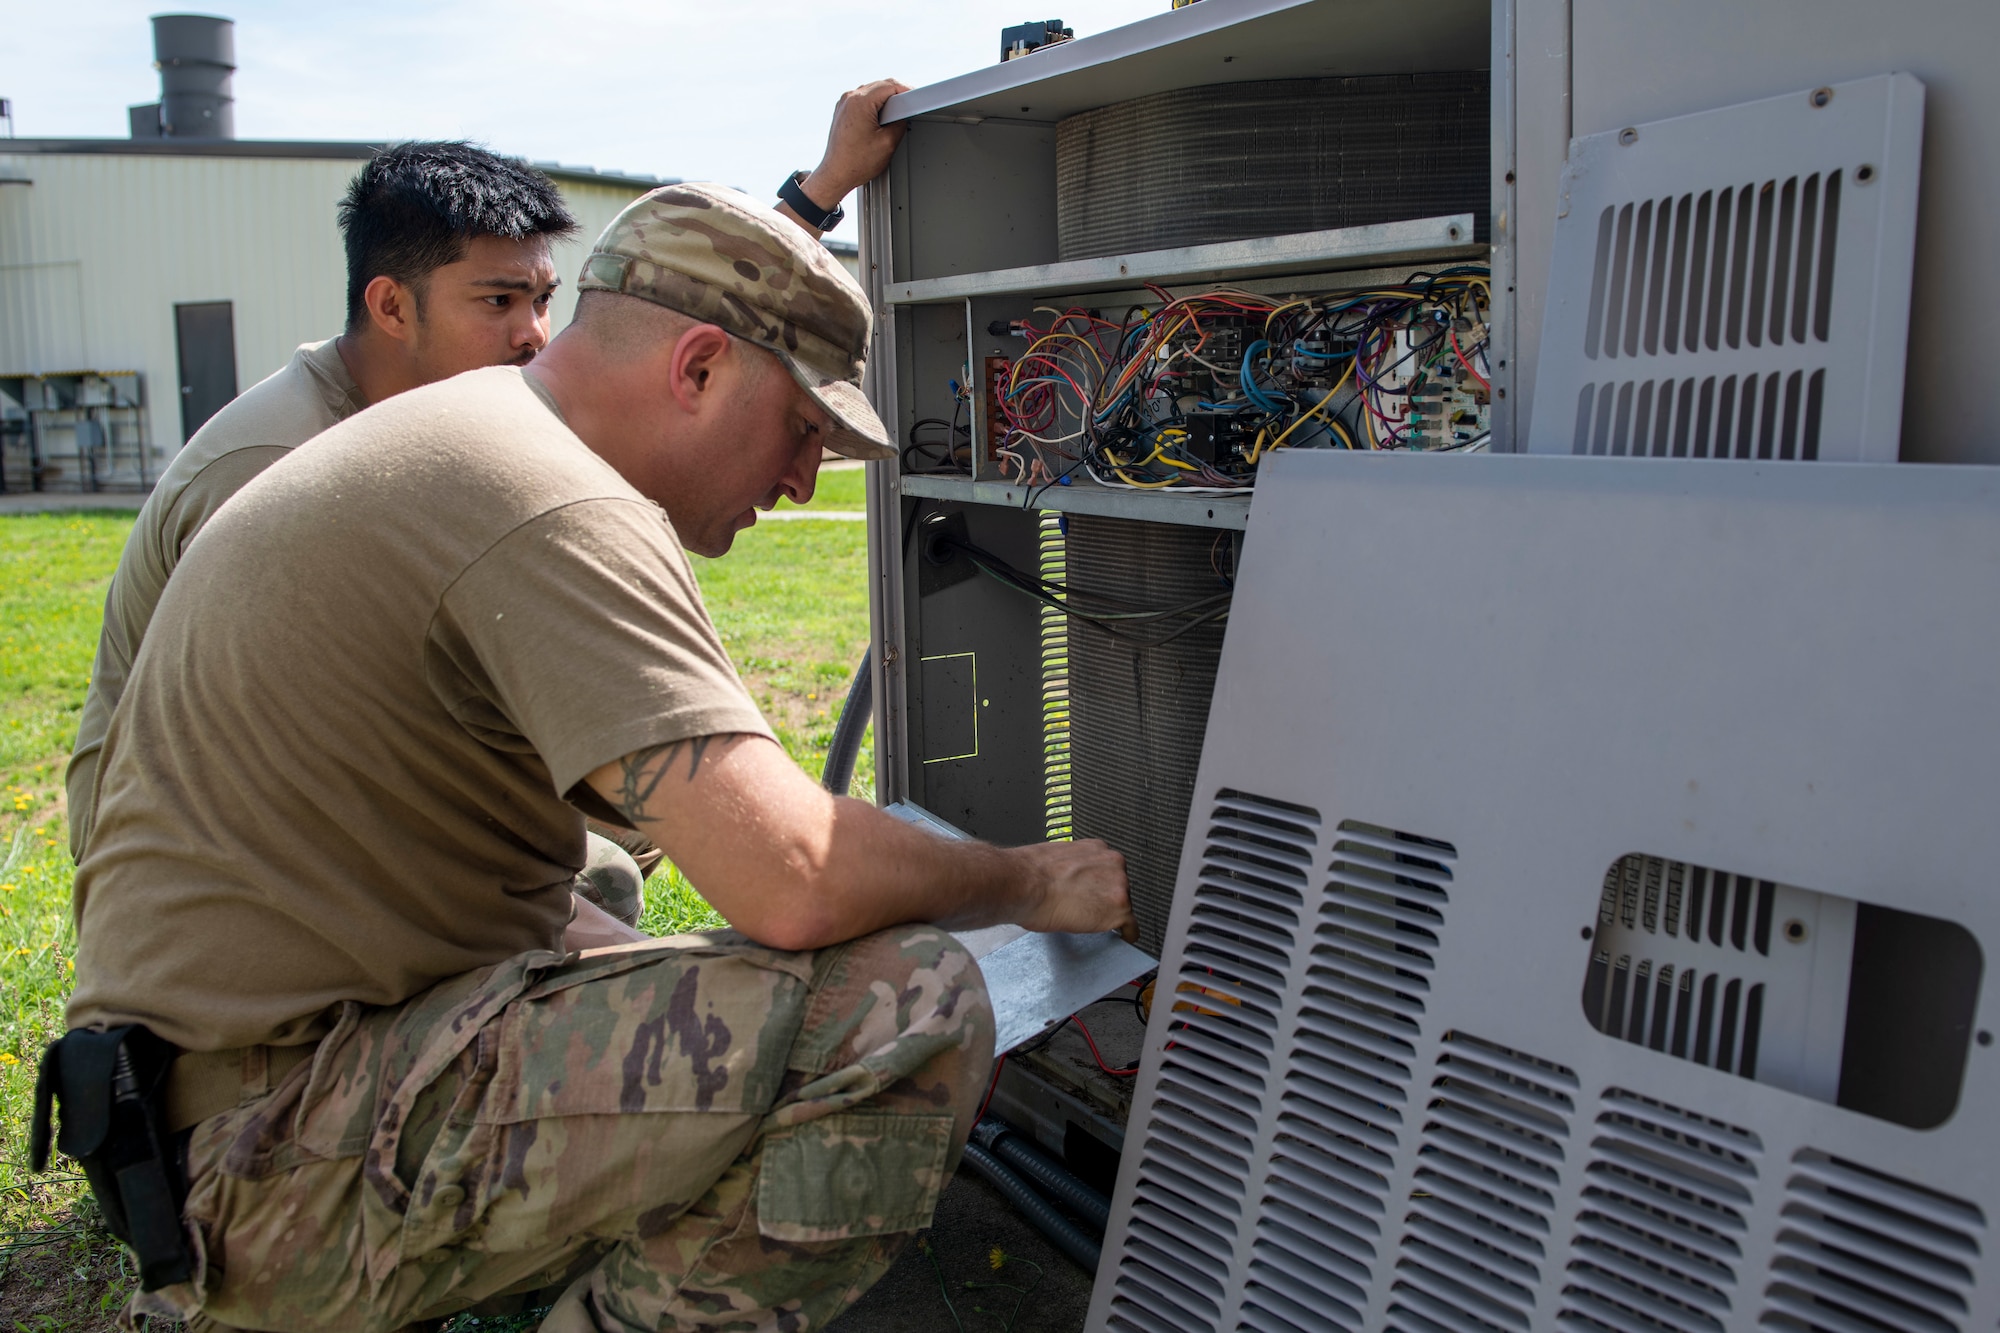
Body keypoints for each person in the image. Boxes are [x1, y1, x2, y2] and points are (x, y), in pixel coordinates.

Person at [59, 173, 1136, 1330]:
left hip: (196, 1120)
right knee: (904, 1006)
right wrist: (1026, 881)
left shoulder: (465, 437)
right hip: (264, 1165)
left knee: (608, 884)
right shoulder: (549, 498)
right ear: (699, 368)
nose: (798, 479)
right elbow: (797, 873)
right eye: (803, 429)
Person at [63, 81, 908, 928]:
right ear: (392, 305)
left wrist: (819, 193)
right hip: (232, 866)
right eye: (497, 301)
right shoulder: (283, 455)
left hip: (331, 803)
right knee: (596, 862)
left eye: (543, 301)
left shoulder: (458, 425)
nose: (535, 335)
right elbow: (249, 766)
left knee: (615, 825)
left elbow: (690, 326)